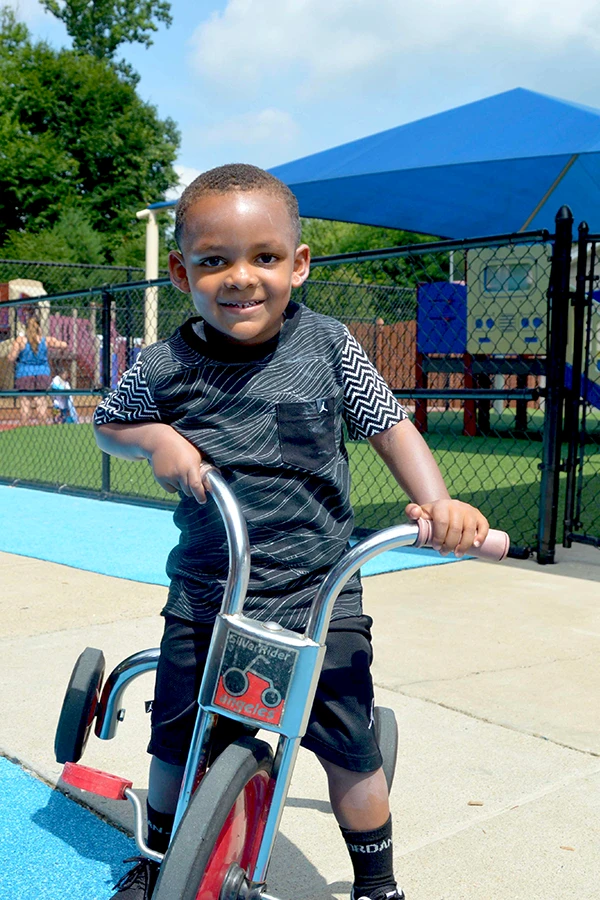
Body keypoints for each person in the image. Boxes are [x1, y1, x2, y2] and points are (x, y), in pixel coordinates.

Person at [94, 164, 489, 900]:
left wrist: (440, 505)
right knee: (177, 738)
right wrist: (154, 439)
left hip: (319, 592)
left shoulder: (331, 347)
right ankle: (156, 862)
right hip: (212, 589)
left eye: (264, 258)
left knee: (349, 747)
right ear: (182, 271)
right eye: (214, 261)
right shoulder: (163, 363)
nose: (241, 279)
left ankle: (378, 883)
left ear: (298, 264)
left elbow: (392, 428)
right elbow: (107, 425)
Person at [7, 316, 68, 425]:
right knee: (41, 401)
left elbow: (11, 357)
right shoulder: (45, 340)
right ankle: (42, 427)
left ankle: (24, 427)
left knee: (25, 402)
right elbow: (64, 345)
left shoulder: (20, 341)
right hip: (42, 373)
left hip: (24, 374)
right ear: (39, 327)